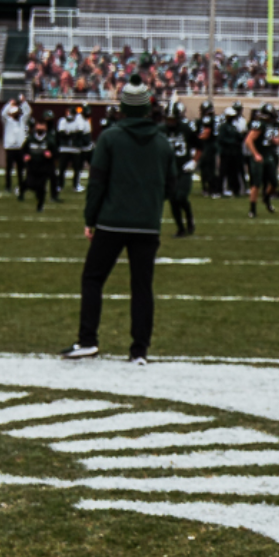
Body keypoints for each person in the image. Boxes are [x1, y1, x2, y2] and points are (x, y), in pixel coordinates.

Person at [60, 77, 175, 365]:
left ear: (122, 107)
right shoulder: (162, 142)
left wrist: (91, 218)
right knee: (142, 287)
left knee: (93, 279)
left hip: (112, 222)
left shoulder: (110, 138)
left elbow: (97, 183)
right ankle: (139, 351)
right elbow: (172, 187)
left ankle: (88, 340)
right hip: (147, 225)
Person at [164, 103, 196, 238]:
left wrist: (194, 161)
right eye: (168, 119)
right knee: (172, 200)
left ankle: (189, 217)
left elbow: (199, 146)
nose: (170, 122)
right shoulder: (161, 130)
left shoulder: (186, 129)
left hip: (184, 169)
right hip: (168, 170)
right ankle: (180, 228)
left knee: (181, 196)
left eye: (173, 119)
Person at [22, 111, 57, 212]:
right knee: (31, 184)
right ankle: (23, 191)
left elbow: (55, 151)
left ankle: (40, 206)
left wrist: (51, 155)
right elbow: (24, 149)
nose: (40, 127)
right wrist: (26, 156)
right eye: (39, 125)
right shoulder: (31, 138)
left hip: (44, 166)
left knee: (42, 186)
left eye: (43, 125)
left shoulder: (49, 139)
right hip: (33, 166)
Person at [57, 105, 93, 192]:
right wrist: (72, 134)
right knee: (62, 168)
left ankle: (75, 185)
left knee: (77, 168)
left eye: (71, 113)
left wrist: (68, 134)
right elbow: (61, 134)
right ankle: (59, 185)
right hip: (64, 148)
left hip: (75, 149)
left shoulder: (78, 121)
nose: (69, 115)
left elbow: (79, 134)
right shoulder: (62, 121)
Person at [1, 95, 30, 195]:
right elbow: (3, 114)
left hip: (19, 148)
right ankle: (8, 186)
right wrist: (10, 104)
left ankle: (21, 185)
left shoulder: (22, 121)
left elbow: (28, 112)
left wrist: (24, 102)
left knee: (21, 169)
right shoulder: (8, 121)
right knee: (9, 169)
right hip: (10, 148)